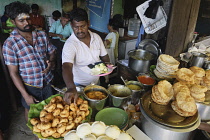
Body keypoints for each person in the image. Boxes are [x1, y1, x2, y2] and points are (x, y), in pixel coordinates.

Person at [2, 1, 56, 121]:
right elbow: (13, 73)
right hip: (30, 86)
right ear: (12, 21)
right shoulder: (10, 44)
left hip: (48, 82)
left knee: (52, 110)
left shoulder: (41, 35)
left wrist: (51, 62)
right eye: (21, 20)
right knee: (32, 113)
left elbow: (52, 52)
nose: (27, 22)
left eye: (28, 18)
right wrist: (25, 95)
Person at [62, 8, 110, 104]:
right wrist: (71, 87)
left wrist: (108, 69)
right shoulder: (70, 44)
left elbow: (104, 56)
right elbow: (66, 66)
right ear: (71, 25)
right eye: (76, 27)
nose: (79, 30)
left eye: (83, 26)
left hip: (96, 83)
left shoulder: (96, 37)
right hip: (78, 86)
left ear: (88, 23)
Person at [49, 13, 73, 85]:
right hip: (55, 41)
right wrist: (57, 35)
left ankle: (61, 68)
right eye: (64, 20)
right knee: (59, 51)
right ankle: (58, 70)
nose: (66, 22)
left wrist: (69, 39)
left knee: (63, 51)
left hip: (65, 42)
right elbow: (50, 33)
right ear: (61, 18)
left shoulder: (69, 25)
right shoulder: (55, 24)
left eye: (67, 20)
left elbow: (72, 35)